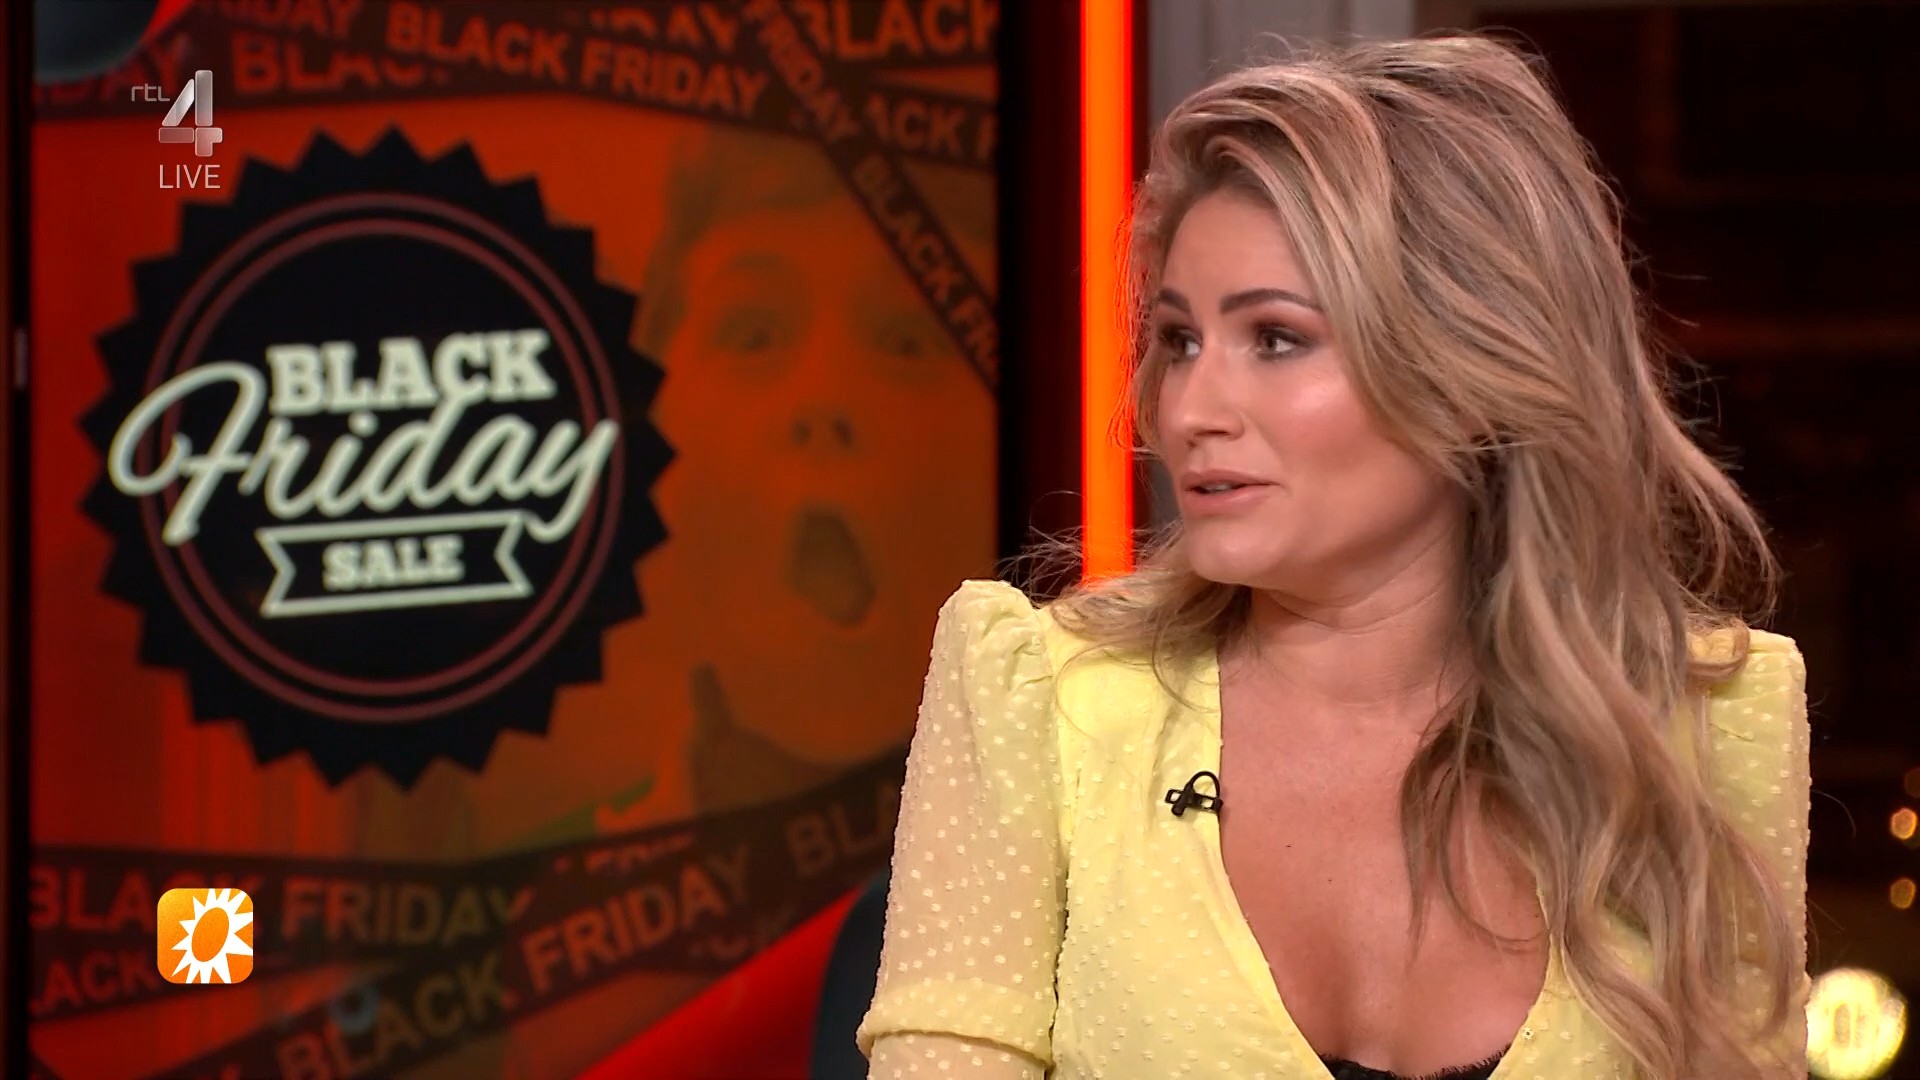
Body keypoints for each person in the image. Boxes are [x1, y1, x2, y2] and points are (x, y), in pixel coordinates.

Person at [854, 32, 1810, 1080]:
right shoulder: (1040, 703)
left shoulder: (1704, 727)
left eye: (1275, 339)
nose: (1190, 410)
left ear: (1470, 369)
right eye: (1178, 341)